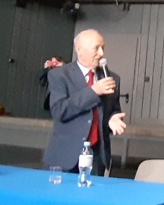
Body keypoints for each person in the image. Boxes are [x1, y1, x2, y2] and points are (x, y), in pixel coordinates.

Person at [43, 29, 126, 176]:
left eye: (103, 48)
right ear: (79, 50)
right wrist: (93, 91)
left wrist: (112, 118)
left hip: (97, 155)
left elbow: (113, 109)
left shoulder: (111, 78)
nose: (101, 53)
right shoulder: (59, 75)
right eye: (96, 48)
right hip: (65, 155)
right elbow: (59, 110)